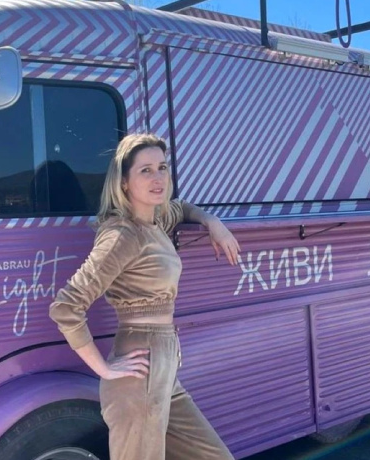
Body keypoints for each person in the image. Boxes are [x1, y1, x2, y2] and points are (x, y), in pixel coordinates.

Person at [49, 133, 240, 460]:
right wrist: (104, 369)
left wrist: (212, 221)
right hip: (139, 370)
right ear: (124, 182)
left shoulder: (156, 221)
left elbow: (181, 208)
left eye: (162, 167)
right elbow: (66, 307)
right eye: (145, 170)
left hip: (164, 368)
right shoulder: (122, 234)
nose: (158, 178)